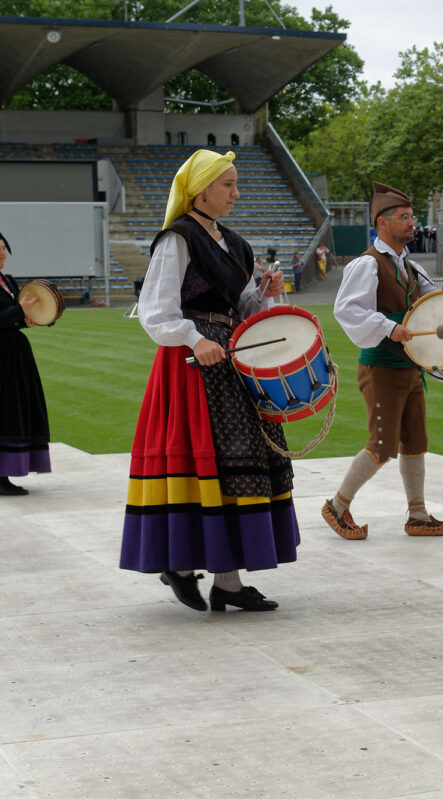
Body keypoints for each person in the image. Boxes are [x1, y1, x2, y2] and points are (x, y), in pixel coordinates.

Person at [119, 149, 297, 614]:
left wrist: (264, 295)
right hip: (194, 367)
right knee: (209, 465)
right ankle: (182, 567)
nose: (236, 193)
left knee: (238, 467)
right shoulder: (177, 240)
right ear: (201, 191)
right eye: (228, 185)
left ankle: (228, 583)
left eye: (236, 184)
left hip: (232, 360)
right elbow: (157, 312)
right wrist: (194, 339)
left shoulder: (236, 244)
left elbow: (243, 310)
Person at [321, 181, 443, 539]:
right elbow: (347, 309)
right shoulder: (367, 264)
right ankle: (336, 506)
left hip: (409, 366)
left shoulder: (408, 265)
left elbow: (433, 297)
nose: (412, 223)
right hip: (381, 366)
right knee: (381, 445)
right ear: (382, 222)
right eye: (404, 217)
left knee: (415, 442)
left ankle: (418, 515)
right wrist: (388, 327)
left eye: (413, 217)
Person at [0, 232, 51, 495]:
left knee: (16, 411)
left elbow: (13, 317)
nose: (3, 253)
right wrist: (19, 310)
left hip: (15, 356)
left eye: (4, 249)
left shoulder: (7, 281)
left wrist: (26, 318)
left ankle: (6, 473)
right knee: (4, 413)